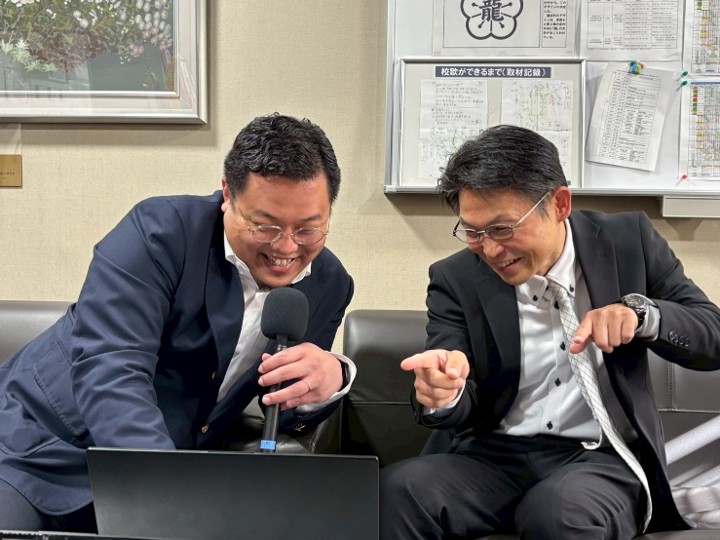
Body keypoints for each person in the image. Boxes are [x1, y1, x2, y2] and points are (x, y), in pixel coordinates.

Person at [0, 113, 355, 533]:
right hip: (38, 446)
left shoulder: (329, 284)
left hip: (174, 467)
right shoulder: (159, 234)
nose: (286, 247)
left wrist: (329, 382)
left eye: (309, 229)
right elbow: (112, 370)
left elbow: (283, 410)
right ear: (228, 194)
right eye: (266, 226)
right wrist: (167, 499)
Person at [380, 125, 720, 539]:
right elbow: (454, 380)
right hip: (492, 458)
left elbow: (712, 335)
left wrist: (642, 315)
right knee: (398, 491)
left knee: (556, 513)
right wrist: (444, 392)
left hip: (598, 457)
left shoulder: (628, 241)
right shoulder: (455, 278)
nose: (490, 250)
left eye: (503, 228)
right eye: (473, 232)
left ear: (559, 204)